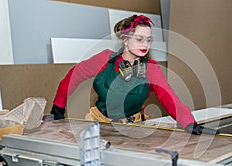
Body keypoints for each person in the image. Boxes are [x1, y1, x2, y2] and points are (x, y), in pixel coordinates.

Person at [50, 14, 219, 135]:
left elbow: (169, 97)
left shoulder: (151, 69)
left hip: (134, 126)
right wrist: (58, 105)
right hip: (100, 123)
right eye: (139, 39)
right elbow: (74, 76)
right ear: (125, 39)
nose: (145, 44)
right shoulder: (104, 59)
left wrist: (188, 123)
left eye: (148, 40)